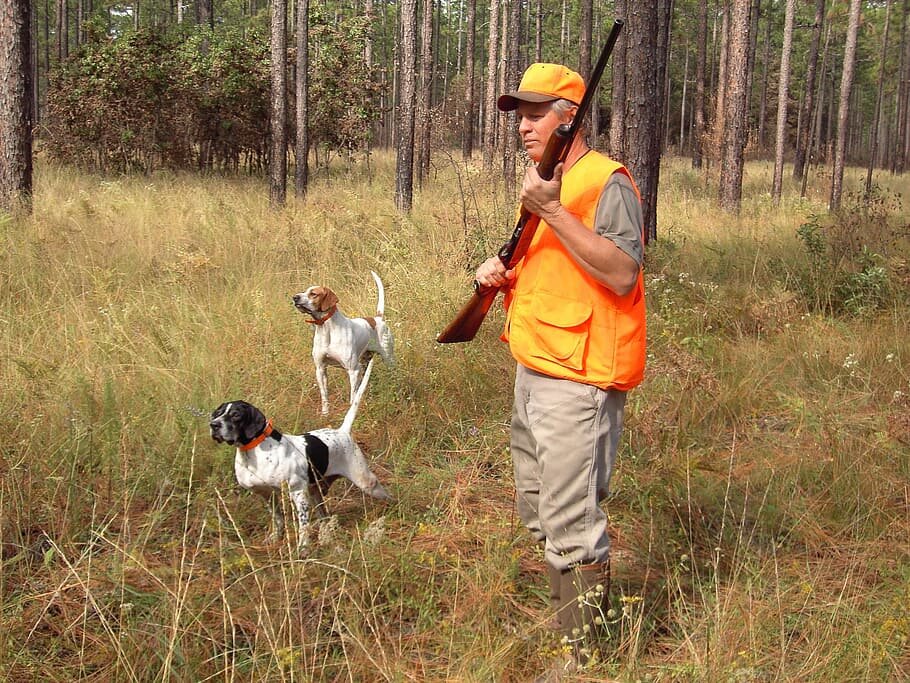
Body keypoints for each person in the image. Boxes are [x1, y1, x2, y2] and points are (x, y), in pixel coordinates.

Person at [474, 62, 646, 669]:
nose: (522, 125)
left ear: (570, 117)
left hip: (579, 378)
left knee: (572, 518)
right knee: (537, 504)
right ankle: (567, 609)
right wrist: (499, 273)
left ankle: (586, 656)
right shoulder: (543, 178)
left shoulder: (607, 181)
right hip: (534, 365)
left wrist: (551, 212)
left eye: (535, 112)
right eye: (518, 114)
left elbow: (622, 273)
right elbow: (558, 266)